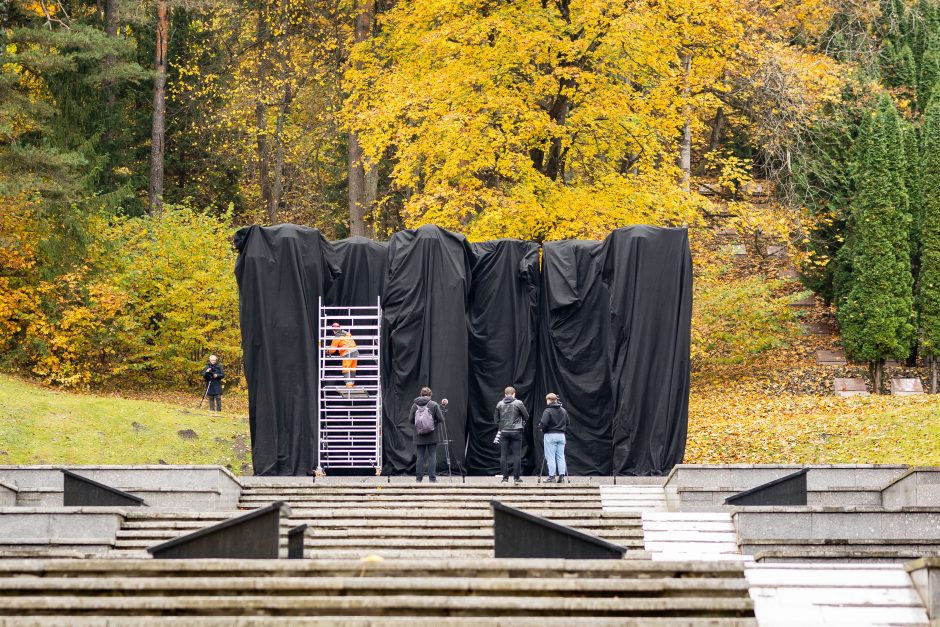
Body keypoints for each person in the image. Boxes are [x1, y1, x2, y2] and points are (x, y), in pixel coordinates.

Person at [493, 386, 529, 484]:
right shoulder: (518, 403)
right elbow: (526, 416)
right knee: (517, 455)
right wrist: (522, 422)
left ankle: (505, 478)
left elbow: (496, 420)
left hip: (504, 431)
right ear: (514, 394)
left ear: (505, 394)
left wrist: (502, 425)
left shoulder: (499, 404)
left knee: (503, 455)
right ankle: (516, 478)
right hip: (516, 431)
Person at [409, 387, 444, 483]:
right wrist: (433, 421)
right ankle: (432, 479)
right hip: (432, 435)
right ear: (430, 395)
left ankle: (418, 479)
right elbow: (441, 419)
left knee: (420, 456)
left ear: (421, 394)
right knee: (432, 455)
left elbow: (411, 419)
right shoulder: (434, 404)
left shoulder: (414, 405)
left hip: (419, 435)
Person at [539, 393, 569, 483]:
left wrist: (540, 427)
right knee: (560, 456)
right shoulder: (563, 410)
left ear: (549, 400)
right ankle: (562, 477)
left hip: (550, 435)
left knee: (550, 457)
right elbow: (568, 422)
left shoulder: (547, 411)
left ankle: (552, 477)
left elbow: (543, 423)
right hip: (561, 436)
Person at [327, 322, 359, 388]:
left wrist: (327, 351)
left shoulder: (337, 337)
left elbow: (332, 350)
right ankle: (352, 383)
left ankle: (349, 384)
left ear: (333, 330)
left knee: (346, 368)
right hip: (355, 351)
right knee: (353, 368)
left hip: (347, 352)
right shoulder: (347, 333)